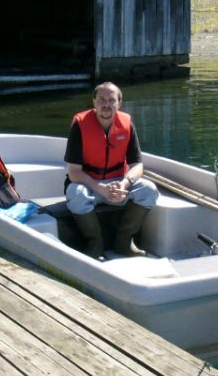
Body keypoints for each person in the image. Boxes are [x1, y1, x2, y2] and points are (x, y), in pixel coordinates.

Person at [64, 82, 159, 259]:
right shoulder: (80, 124)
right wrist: (99, 188)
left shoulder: (127, 124)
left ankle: (124, 242)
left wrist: (124, 184)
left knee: (149, 190)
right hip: (89, 185)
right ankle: (95, 243)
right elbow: (74, 172)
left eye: (111, 100)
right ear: (94, 102)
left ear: (119, 103)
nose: (106, 104)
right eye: (101, 99)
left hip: (118, 185)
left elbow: (137, 165)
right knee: (77, 193)